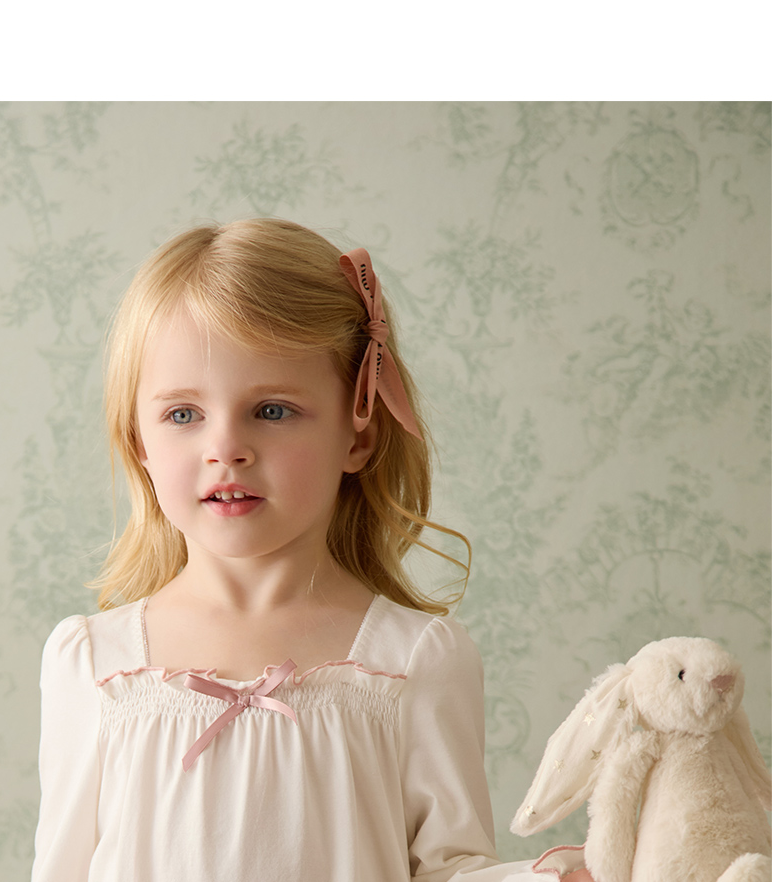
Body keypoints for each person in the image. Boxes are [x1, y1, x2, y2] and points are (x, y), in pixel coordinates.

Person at [32, 219, 539, 881]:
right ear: (140, 445)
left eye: (271, 410)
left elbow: (451, 868)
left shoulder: (414, 663)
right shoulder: (95, 665)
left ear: (358, 436)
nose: (225, 448)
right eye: (183, 415)